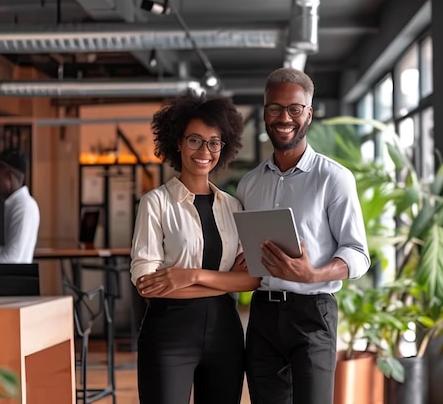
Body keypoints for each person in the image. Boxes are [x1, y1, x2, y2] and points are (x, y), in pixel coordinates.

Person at [235, 68, 371, 404]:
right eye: (275, 108)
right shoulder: (249, 185)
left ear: (308, 114)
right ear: (264, 111)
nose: (284, 118)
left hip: (313, 313)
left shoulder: (334, 179)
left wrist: (314, 274)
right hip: (263, 315)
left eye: (295, 109)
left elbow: (357, 253)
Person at [130, 92, 261, 404]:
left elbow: (253, 279)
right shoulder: (155, 203)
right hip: (168, 332)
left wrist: (189, 276)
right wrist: (223, 281)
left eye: (214, 142)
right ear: (178, 141)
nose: (205, 151)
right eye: (195, 140)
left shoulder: (234, 206)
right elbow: (148, 286)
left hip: (225, 334)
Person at [0, 149, 40, 264]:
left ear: (9, 177)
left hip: (12, 279)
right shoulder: (13, 205)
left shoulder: (24, 207)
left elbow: (12, 258)